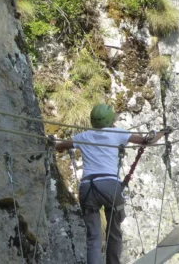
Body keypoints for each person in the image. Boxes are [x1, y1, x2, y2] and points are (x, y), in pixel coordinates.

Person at [55, 104, 170, 264]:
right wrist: (164, 132)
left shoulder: (84, 136)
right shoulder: (117, 133)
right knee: (114, 232)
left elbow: (60, 146)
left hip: (88, 188)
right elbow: (147, 140)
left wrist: (52, 144)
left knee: (93, 237)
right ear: (110, 120)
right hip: (110, 187)